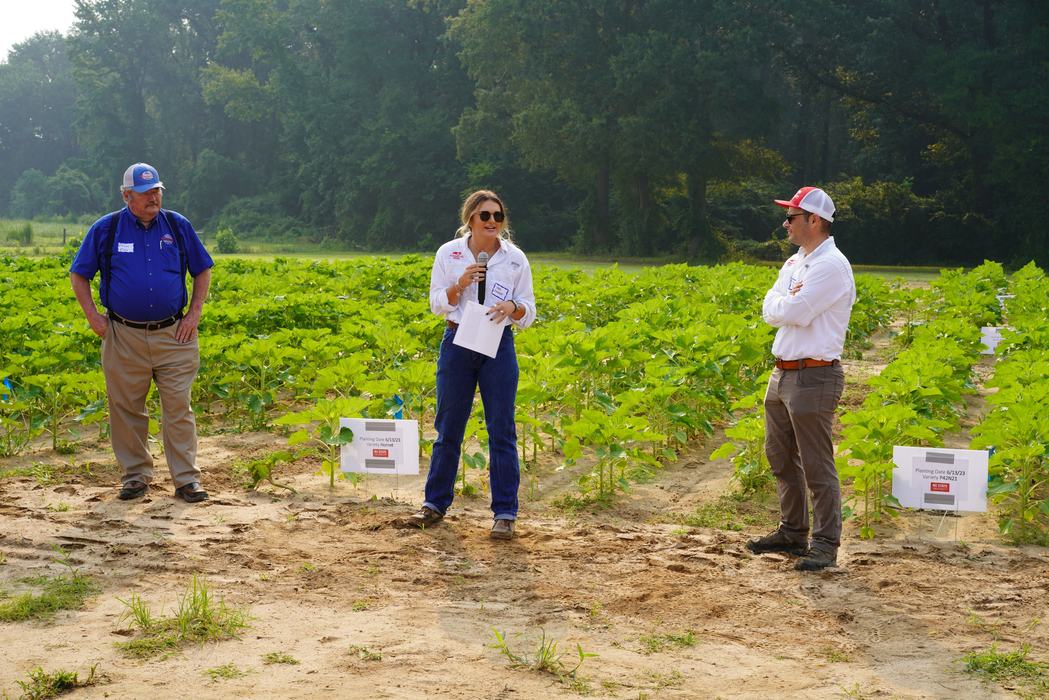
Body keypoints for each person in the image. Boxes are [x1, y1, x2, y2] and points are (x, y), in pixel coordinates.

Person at [70, 163, 214, 503]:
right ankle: (135, 476)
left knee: (178, 406)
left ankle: (186, 479)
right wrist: (94, 318)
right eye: (146, 192)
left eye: (157, 190)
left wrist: (194, 314)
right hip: (123, 335)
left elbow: (202, 269)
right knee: (126, 408)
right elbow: (80, 275)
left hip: (174, 334)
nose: (154, 197)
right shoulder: (107, 229)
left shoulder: (177, 226)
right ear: (126, 195)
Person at [408, 190, 536, 539]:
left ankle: (505, 513)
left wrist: (514, 308)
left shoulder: (515, 258)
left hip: (498, 342)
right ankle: (434, 505)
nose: (492, 221)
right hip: (458, 341)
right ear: (470, 220)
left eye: (498, 216)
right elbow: (436, 303)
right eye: (485, 216)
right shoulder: (447, 254)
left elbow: (530, 310)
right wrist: (459, 284)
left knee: (502, 429)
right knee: (449, 426)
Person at [747, 186, 855, 571]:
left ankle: (825, 544)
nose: (785, 223)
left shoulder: (832, 266)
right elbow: (771, 307)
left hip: (815, 374)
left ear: (814, 220)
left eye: (791, 217)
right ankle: (793, 531)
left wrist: (783, 307)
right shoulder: (796, 262)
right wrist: (783, 307)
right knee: (778, 456)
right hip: (783, 372)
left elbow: (795, 310)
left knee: (816, 463)